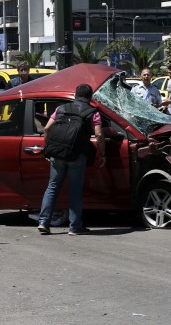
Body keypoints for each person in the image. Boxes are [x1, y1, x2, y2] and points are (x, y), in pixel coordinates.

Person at [37, 84, 106, 236]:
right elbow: (99, 134)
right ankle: (75, 227)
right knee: (75, 190)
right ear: (90, 98)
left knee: (52, 187)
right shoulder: (93, 112)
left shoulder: (61, 108)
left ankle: (43, 222)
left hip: (57, 153)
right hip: (77, 155)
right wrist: (102, 154)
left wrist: (48, 150)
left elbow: (47, 129)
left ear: (75, 95)